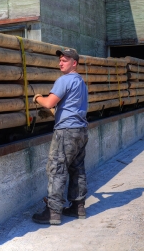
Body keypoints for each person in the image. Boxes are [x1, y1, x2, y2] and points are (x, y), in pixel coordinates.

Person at [32, 48, 89, 225]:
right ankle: (78, 206)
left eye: (65, 60)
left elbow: (49, 102)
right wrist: (57, 112)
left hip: (66, 132)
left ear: (74, 63)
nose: (60, 63)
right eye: (60, 60)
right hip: (81, 130)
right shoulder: (81, 82)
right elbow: (68, 107)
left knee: (57, 169)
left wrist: (37, 98)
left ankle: (53, 212)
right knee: (77, 169)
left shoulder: (64, 80)